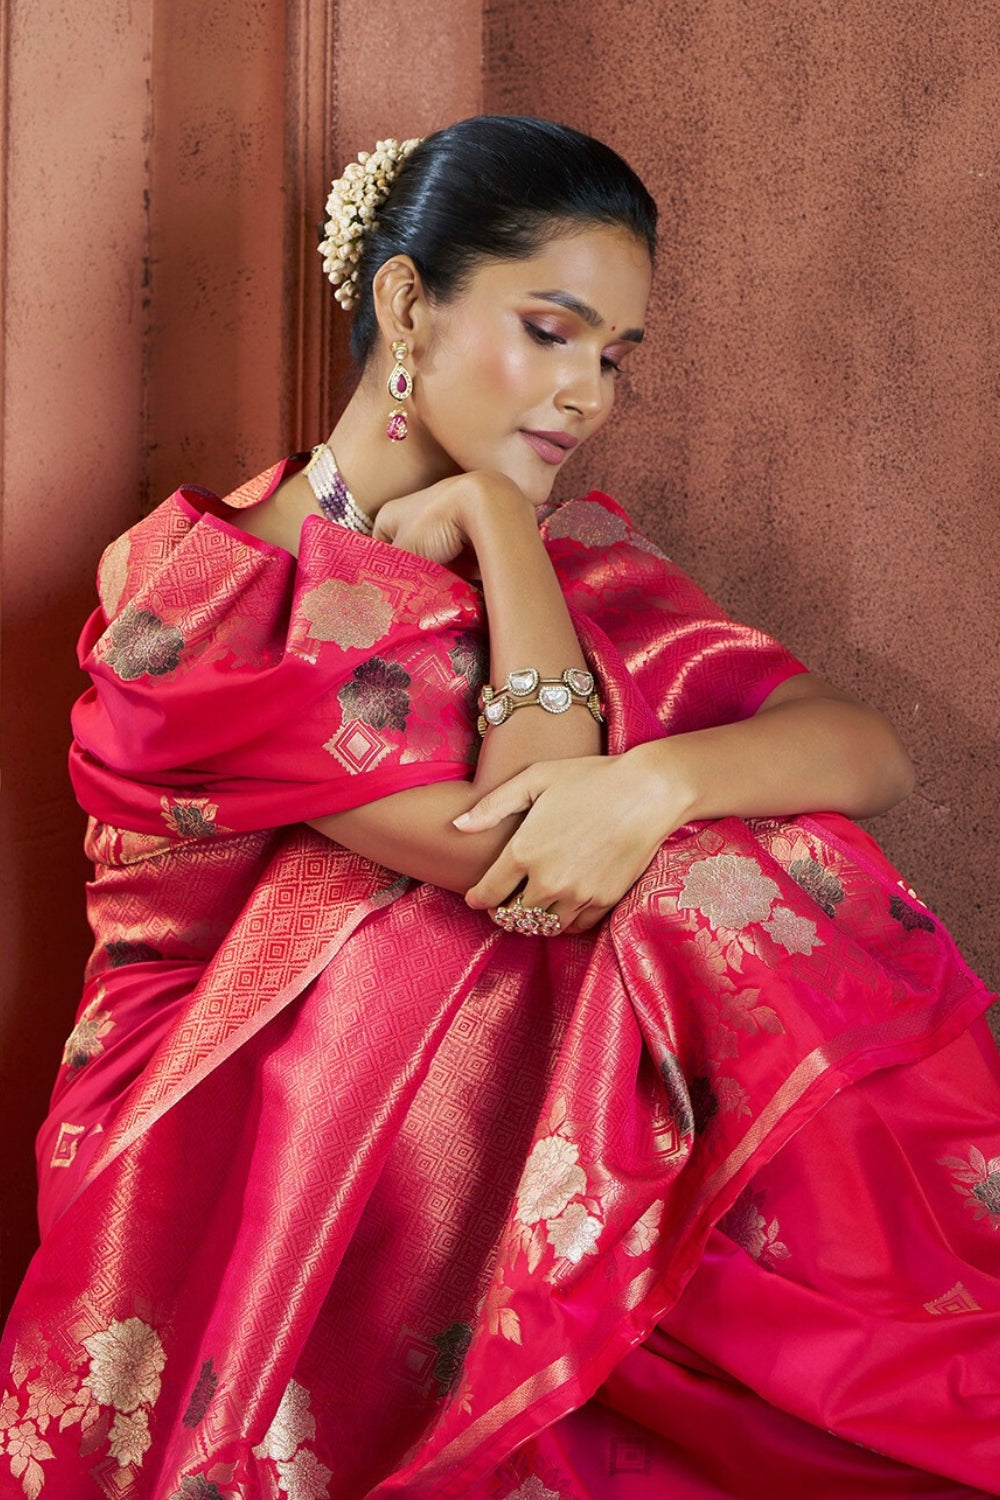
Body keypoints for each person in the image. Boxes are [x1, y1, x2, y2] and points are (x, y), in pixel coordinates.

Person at [0, 116, 995, 1500]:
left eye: (613, 357)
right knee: (677, 901)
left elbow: (858, 750)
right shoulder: (204, 600)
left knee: (729, 848)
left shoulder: (571, 555)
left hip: (490, 1089)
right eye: (552, 330)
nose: (586, 394)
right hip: (235, 1131)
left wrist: (650, 764)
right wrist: (510, 544)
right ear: (409, 303)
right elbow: (531, 854)